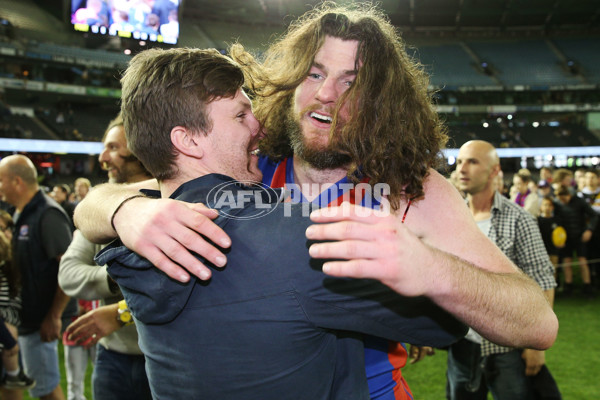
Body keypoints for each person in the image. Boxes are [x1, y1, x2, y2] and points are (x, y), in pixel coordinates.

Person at [74, 3, 558, 399]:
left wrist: (430, 268)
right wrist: (127, 211)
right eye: (314, 72)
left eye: (353, 81)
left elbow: (538, 323)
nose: (327, 94)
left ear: (380, 100)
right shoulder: (247, 168)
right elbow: (95, 207)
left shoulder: (412, 190)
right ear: (290, 80)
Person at [97, 46, 469, 400]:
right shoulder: (296, 238)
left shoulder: (138, 234)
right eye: (241, 116)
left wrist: (119, 209)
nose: (258, 126)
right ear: (188, 140)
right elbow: (444, 324)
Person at [449, 140, 557, 400]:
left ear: (495, 171)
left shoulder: (519, 219)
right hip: (462, 346)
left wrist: (537, 344)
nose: (462, 168)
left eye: (472, 162)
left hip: (508, 345)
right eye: (460, 161)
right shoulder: (452, 218)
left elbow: (542, 280)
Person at [58, 113, 153, 400]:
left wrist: (120, 313)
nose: (103, 157)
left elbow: (177, 289)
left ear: (139, 148)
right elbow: (69, 273)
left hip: (162, 356)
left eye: (113, 147)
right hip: (113, 357)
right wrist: (118, 276)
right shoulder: (100, 207)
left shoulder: (171, 201)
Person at [0, 155, 77, 400]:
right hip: (26, 318)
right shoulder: (22, 211)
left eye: (1, 181)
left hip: (41, 320)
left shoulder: (47, 214)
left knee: (45, 389)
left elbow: (68, 268)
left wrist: (54, 316)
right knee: (21, 384)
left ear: (16, 181)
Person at [0, 212, 36, 397]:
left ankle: (14, 374)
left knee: (13, 391)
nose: (5, 234)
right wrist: (7, 338)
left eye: (7, 229)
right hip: (5, 329)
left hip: (10, 324)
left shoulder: (12, 259)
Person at [554, 185, 597, 297]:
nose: (562, 201)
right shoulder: (557, 203)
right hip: (565, 238)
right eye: (560, 199)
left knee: (582, 261)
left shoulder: (579, 201)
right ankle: (568, 286)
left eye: (564, 198)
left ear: (569, 195)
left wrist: (589, 230)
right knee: (566, 262)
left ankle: (587, 286)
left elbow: (593, 216)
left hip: (579, 236)